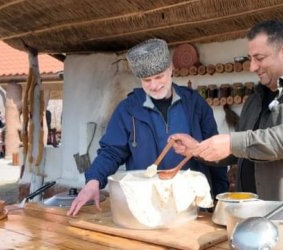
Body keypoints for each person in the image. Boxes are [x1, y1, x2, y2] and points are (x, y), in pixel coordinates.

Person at [170, 20, 283, 235]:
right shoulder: (255, 97)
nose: (252, 67)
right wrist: (197, 149)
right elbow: (241, 151)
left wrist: (233, 142)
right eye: (250, 59)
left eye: (259, 58)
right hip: (258, 221)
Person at [67, 38, 229, 216]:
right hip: (145, 206)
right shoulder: (128, 109)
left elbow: (214, 152)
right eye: (147, 80)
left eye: (159, 77)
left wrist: (220, 196)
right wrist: (94, 180)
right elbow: (111, 152)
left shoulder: (194, 104)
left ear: (170, 69)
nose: (154, 85)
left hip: (191, 205)